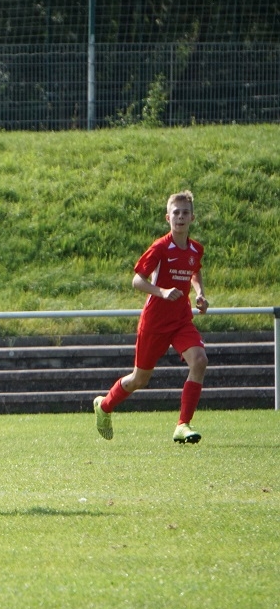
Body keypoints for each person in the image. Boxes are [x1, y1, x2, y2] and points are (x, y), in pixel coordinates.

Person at [93, 190, 209, 444]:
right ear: (168, 218)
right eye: (176, 213)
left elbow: (195, 270)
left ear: (192, 218)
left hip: (181, 321)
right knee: (140, 379)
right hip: (154, 322)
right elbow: (137, 281)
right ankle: (105, 405)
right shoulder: (160, 248)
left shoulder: (195, 249)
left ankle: (183, 425)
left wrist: (200, 294)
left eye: (185, 213)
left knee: (200, 360)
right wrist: (162, 291)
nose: (180, 217)